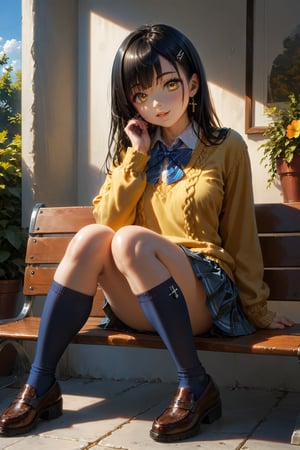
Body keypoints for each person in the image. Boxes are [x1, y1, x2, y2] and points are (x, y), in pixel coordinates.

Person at [0, 24, 294, 443]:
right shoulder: (134, 151)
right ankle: (40, 382)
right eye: (141, 94)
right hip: (142, 298)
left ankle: (194, 384)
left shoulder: (227, 147)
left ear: (192, 84)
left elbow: (241, 235)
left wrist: (259, 309)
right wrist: (138, 158)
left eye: (168, 85)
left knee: (129, 239)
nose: (156, 103)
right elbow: (107, 220)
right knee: (92, 238)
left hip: (203, 293)